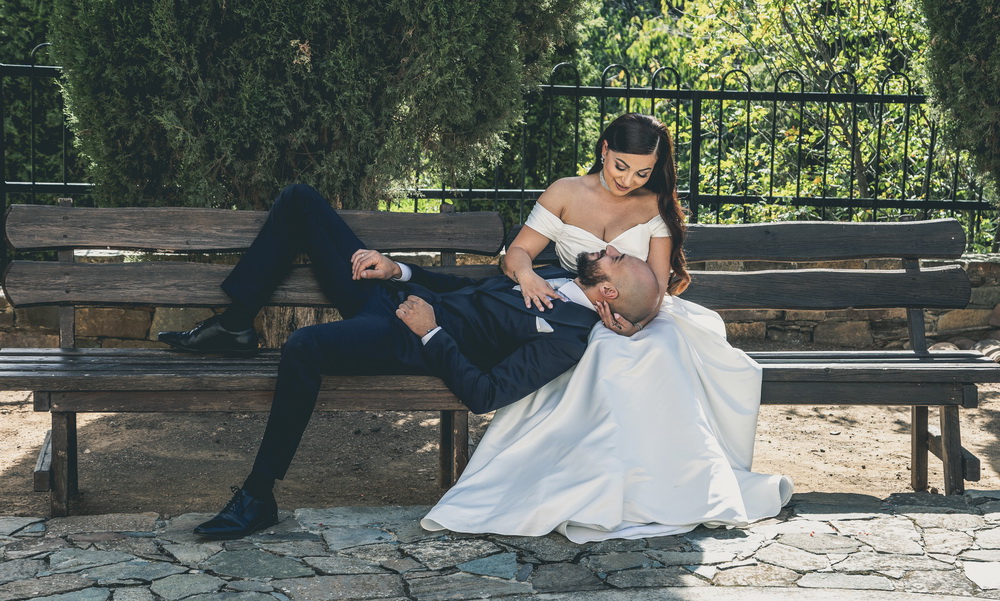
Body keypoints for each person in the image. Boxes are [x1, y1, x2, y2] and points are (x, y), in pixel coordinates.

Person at [157, 183, 661, 539]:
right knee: (300, 201)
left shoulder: (568, 339)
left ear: (609, 292)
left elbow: (485, 393)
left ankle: (258, 495)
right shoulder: (551, 273)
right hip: (394, 296)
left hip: (405, 337)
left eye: (616, 259)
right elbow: (468, 289)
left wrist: (431, 332)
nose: (608, 249)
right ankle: (236, 324)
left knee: (304, 346)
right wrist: (397, 270)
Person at [420, 114, 794, 543]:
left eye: (643, 173)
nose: (628, 180)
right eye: (621, 166)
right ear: (604, 150)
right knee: (599, 347)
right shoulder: (565, 192)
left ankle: (672, 484)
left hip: (648, 315)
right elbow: (518, 253)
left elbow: (657, 286)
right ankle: (595, 480)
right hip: (583, 311)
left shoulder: (654, 205)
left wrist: (638, 323)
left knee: (654, 348)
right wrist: (528, 277)